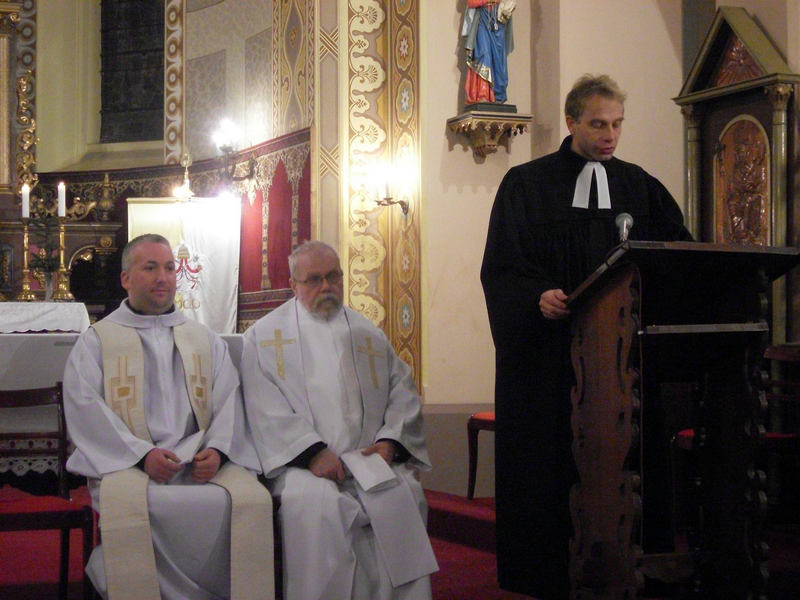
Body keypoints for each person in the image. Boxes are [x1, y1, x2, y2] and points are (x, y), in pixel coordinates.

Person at [480, 74, 693, 599]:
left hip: (624, 363)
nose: (610, 135)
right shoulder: (527, 185)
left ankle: (636, 566)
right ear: (572, 121)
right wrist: (536, 297)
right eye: (598, 124)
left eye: (617, 124)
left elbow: (679, 257)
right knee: (553, 469)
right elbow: (502, 268)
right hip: (551, 363)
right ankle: (548, 573)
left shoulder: (640, 187)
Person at [64, 233, 274, 600]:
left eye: (168, 268)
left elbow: (230, 400)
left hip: (199, 462)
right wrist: (141, 456)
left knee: (249, 502)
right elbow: (84, 407)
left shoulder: (204, 339)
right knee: (139, 507)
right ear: (126, 278)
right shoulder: (98, 340)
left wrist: (218, 451)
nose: (162, 277)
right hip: (128, 465)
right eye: (150, 268)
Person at [240, 240, 438, 600]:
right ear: (293, 284)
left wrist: (390, 443)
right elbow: (262, 406)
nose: (326, 287)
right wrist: (313, 453)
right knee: (319, 508)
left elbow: (403, 392)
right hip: (303, 467)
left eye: (334, 277)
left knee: (404, 493)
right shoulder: (264, 337)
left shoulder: (368, 332)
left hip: (367, 460)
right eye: (314, 279)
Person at [462, 0, 515, 104]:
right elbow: (471, 2)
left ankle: (498, 95)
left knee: (499, 60)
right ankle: (483, 93)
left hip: (499, 20)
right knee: (484, 54)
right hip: (483, 18)